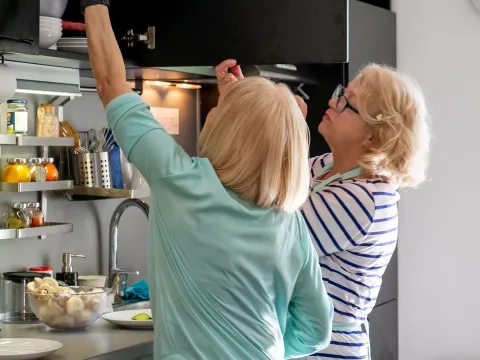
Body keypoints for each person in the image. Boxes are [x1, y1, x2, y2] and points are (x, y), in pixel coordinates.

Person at [81, 2, 334, 359]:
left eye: (220, 108)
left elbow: (110, 84)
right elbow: (316, 330)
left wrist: (95, 4)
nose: (213, 110)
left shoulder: (180, 180)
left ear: (232, 133)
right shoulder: (289, 224)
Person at [295, 65, 431, 360]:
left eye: (347, 102)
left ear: (372, 136)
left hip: (323, 350)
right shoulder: (328, 167)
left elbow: (270, 235)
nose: (333, 102)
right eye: (340, 94)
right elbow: (269, 187)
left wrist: (286, 129)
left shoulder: (362, 199)